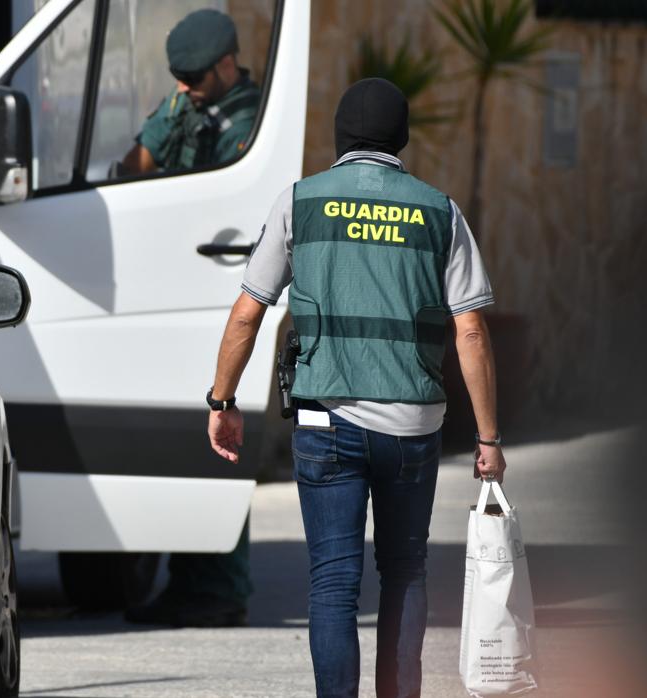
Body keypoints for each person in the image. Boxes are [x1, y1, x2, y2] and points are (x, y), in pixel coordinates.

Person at [205, 78, 506, 697]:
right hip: (413, 429)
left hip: (324, 425)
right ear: (401, 138)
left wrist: (223, 401)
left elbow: (247, 313)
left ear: (340, 137)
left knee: (333, 584)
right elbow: (470, 329)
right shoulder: (439, 210)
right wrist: (488, 437)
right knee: (404, 573)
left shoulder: (299, 202)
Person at [122, 8, 260, 629]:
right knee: (185, 436)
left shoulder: (249, 126)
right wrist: (173, 114)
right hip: (177, 289)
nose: (184, 88)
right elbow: (135, 173)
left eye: (194, 80)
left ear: (227, 65)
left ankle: (214, 585)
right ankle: (196, 577)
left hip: (222, 297)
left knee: (216, 436)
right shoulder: (192, 107)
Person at [119, 8, 261, 176]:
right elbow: (140, 157)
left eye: (192, 77)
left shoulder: (247, 130)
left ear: (226, 65)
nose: (182, 87)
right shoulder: (191, 93)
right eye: (178, 75)